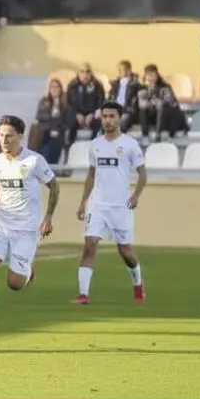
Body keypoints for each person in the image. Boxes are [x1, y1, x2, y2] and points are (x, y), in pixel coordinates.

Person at [0, 116, 59, 333]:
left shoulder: (34, 161)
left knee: (14, 283)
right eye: (1, 135)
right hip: (1, 225)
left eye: (9, 136)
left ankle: (27, 269)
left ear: (21, 136)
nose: (4, 140)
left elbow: (55, 187)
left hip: (27, 229)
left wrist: (48, 217)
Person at [74, 101, 147, 305]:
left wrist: (136, 195)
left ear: (119, 118)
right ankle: (83, 294)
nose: (107, 120)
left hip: (120, 206)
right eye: (104, 116)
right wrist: (83, 201)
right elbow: (91, 174)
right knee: (89, 246)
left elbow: (143, 175)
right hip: (97, 204)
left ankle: (138, 283)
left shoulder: (130, 145)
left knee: (125, 252)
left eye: (111, 116)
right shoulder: (95, 145)